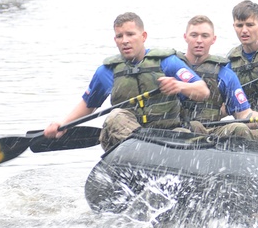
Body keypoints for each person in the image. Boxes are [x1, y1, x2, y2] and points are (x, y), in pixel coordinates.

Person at [44, 12, 209, 151]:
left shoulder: (167, 62)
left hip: (165, 134)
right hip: (127, 143)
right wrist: (63, 124)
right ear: (115, 40)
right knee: (115, 116)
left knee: (188, 131)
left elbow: (203, 91)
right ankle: (142, 151)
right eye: (119, 36)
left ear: (143, 36)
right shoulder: (105, 72)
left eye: (130, 34)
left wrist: (180, 86)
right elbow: (88, 105)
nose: (125, 40)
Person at [180, 15, 258, 138]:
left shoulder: (224, 74)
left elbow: (244, 114)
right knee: (185, 130)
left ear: (213, 39)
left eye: (204, 36)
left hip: (212, 132)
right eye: (194, 35)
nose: (199, 40)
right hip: (179, 130)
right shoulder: (171, 66)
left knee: (239, 128)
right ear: (185, 37)